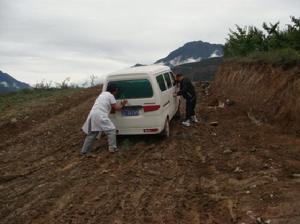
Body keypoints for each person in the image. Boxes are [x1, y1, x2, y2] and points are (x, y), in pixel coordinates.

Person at [80, 83, 127, 155]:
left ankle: (84, 151)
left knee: (92, 133)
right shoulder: (110, 96)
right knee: (111, 130)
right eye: (116, 91)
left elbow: (109, 108)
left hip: (93, 114)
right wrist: (123, 104)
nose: (117, 92)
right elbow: (116, 108)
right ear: (114, 91)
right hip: (100, 115)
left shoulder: (102, 94)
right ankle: (112, 148)